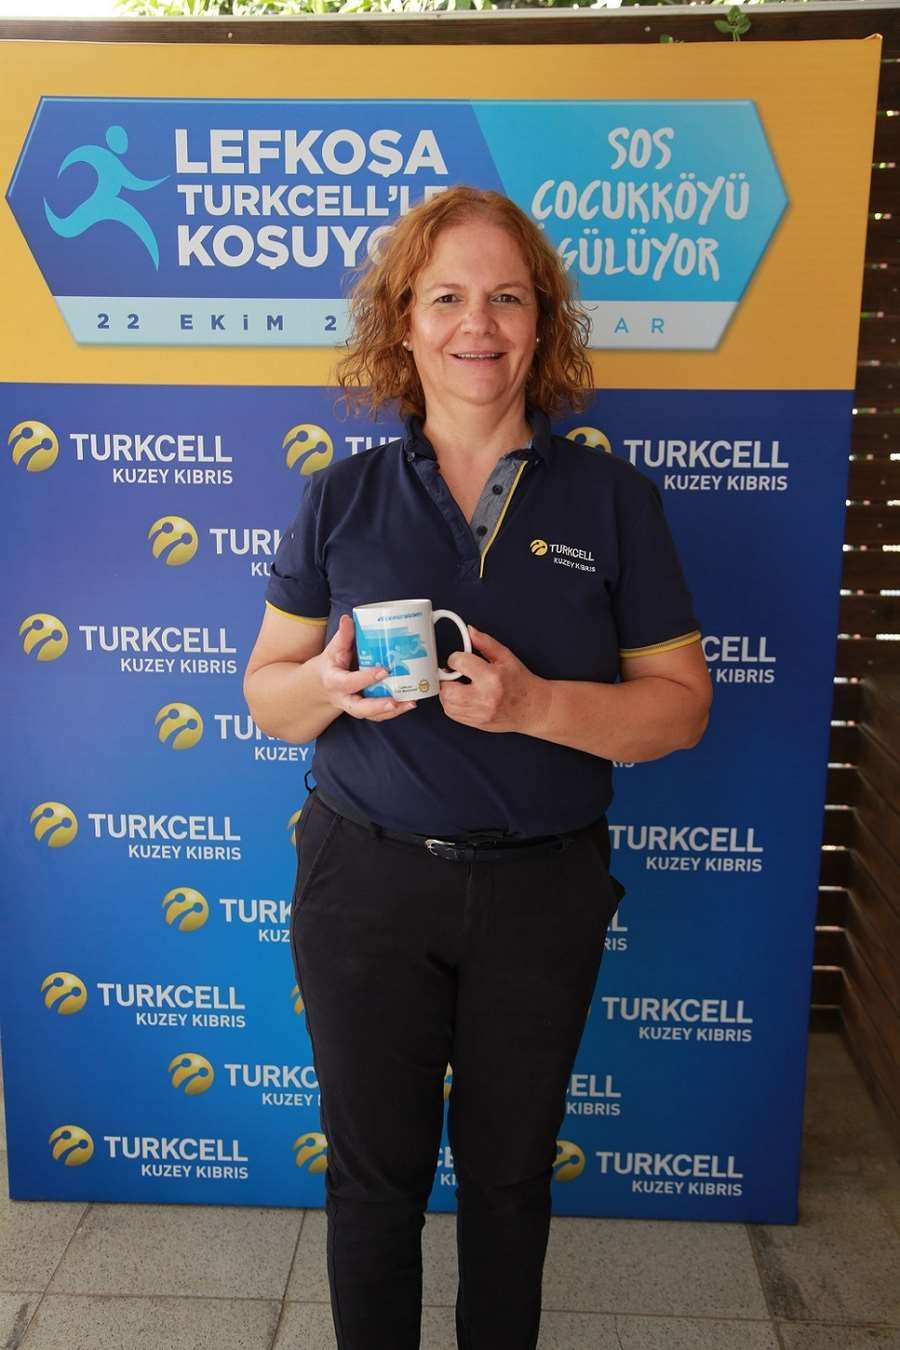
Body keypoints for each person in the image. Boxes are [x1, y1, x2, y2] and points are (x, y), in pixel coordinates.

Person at [243, 185, 712, 1350]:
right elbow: (266, 695)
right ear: (402, 323)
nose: (477, 324)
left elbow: (681, 710)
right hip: (365, 884)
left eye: (507, 298)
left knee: (508, 1182)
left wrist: (536, 705)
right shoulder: (340, 497)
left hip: (540, 890)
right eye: (446, 297)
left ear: (541, 325)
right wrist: (328, 687)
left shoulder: (614, 501)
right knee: (373, 1185)